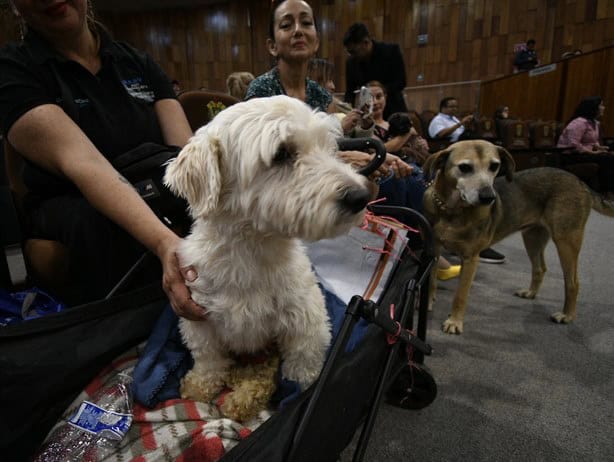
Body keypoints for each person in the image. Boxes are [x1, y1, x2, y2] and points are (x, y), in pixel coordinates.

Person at [0, 0, 204, 318]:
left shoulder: (137, 63)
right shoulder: (13, 69)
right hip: (75, 204)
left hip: (154, 188)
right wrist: (165, 242)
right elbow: (84, 163)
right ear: (15, 6)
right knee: (97, 223)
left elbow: (188, 158)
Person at [246, 0, 402, 176]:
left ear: (316, 42)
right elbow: (265, 161)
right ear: (272, 46)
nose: (298, 30)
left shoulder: (322, 96)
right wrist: (345, 157)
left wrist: (374, 155)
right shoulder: (260, 91)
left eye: (306, 23)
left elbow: (332, 145)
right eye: (286, 25)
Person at [366, 81, 460, 280]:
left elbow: (414, 147)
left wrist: (418, 145)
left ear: (386, 98)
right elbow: (378, 151)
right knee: (407, 179)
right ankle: (426, 251)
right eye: (370, 97)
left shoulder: (393, 121)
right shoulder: (365, 125)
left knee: (434, 177)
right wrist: (407, 136)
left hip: (409, 164)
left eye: (379, 96)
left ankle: (434, 246)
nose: (375, 102)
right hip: (388, 171)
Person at [428, 97, 506, 264]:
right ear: (442, 107)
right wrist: (459, 125)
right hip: (451, 150)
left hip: (469, 151)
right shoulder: (439, 120)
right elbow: (439, 136)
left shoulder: (455, 119)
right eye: (451, 106)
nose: (454, 108)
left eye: (457, 105)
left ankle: (476, 242)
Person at [343, 22, 407, 120]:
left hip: (394, 112)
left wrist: (377, 93)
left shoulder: (391, 51)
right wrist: (346, 110)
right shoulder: (351, 62)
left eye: (353, 52)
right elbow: (349, 92)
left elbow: (401, 82)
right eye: (349, 52)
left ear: (366, 42)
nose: (352, 55)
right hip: (369, 116)